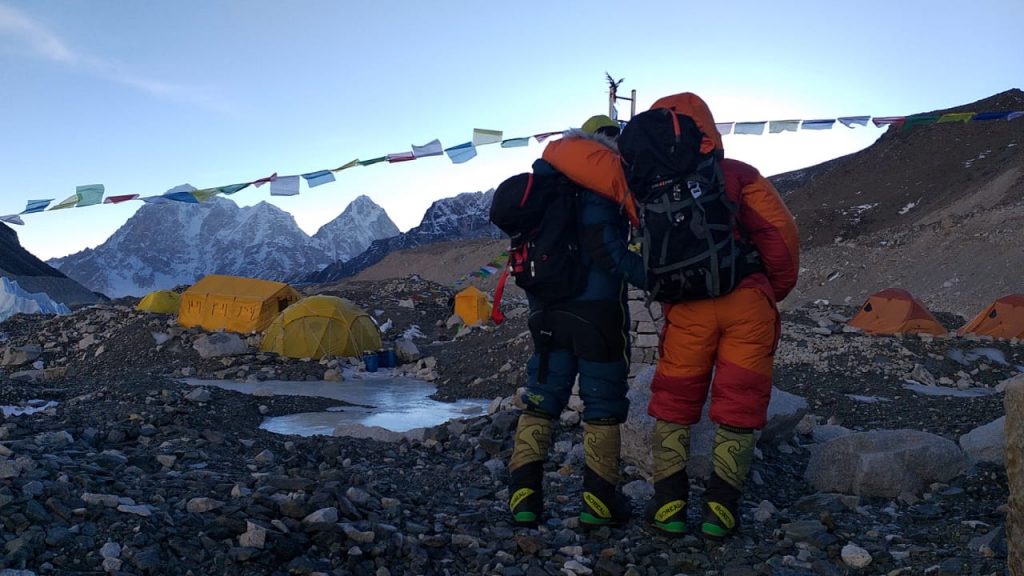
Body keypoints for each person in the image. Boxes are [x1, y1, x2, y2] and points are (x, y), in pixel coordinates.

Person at [636, 93, 800, 539]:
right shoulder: (738, 174)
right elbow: (780, 235)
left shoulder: (649, 185)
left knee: (674, 401)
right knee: (740, 402)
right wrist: (770, 289)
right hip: (746, 302)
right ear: (708, 129)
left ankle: (668, 507)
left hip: (686, 307)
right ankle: (720, 512)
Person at [507, 114, 647, 529]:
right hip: (597, 312)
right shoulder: (601, 188)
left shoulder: (545, 188)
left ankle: (523, 499)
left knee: (542, 396)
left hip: (545, 311)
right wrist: (659, 277)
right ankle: (599, 503)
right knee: (602, 402)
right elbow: (608, 253)